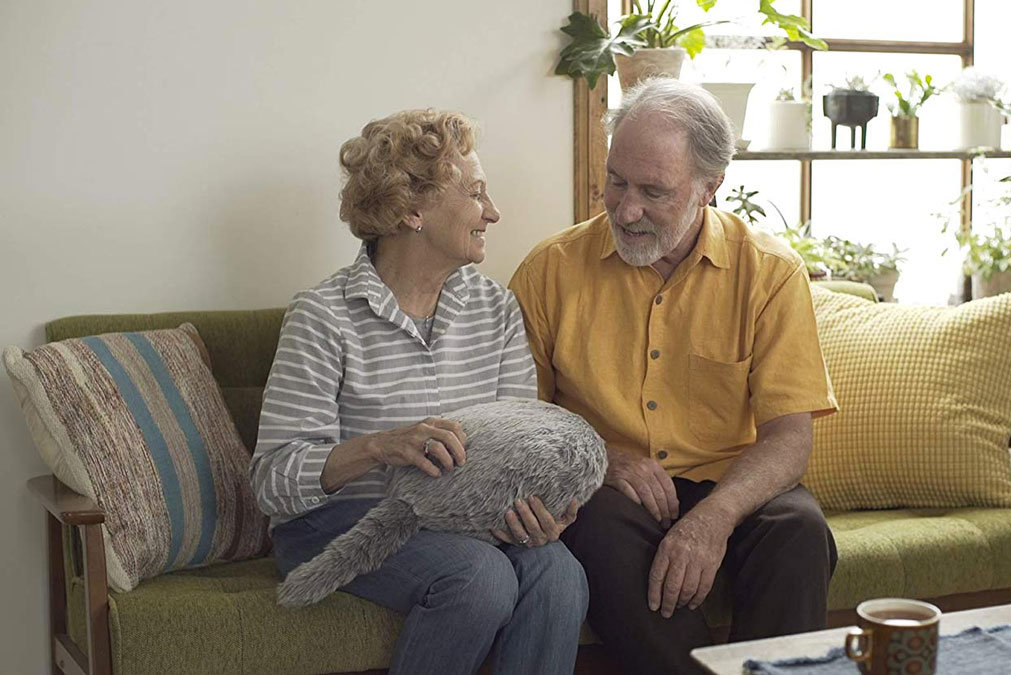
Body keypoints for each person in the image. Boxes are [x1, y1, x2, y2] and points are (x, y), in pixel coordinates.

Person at [509, 78, 839, 674]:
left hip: (731, 483)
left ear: (710, 187)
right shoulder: (549, 270)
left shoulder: (770, 274)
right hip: (613, 490)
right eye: (616, 181)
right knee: (600, 532)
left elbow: (789, 435)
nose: (626, 209)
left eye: (653, 191)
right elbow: (514, 422)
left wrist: (714, 517)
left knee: (798, 530)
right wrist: (600, 457)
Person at [251, 109, 587, 675]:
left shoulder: (496, 310)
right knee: (478, 576)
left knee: (558, 571)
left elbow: (520, 454)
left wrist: (544, 512)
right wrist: (380, 447)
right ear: (411, 210)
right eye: (476, 193)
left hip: (459, 522)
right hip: (337, 524)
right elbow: (271, 482)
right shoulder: (322, 317)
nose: (493, 212)